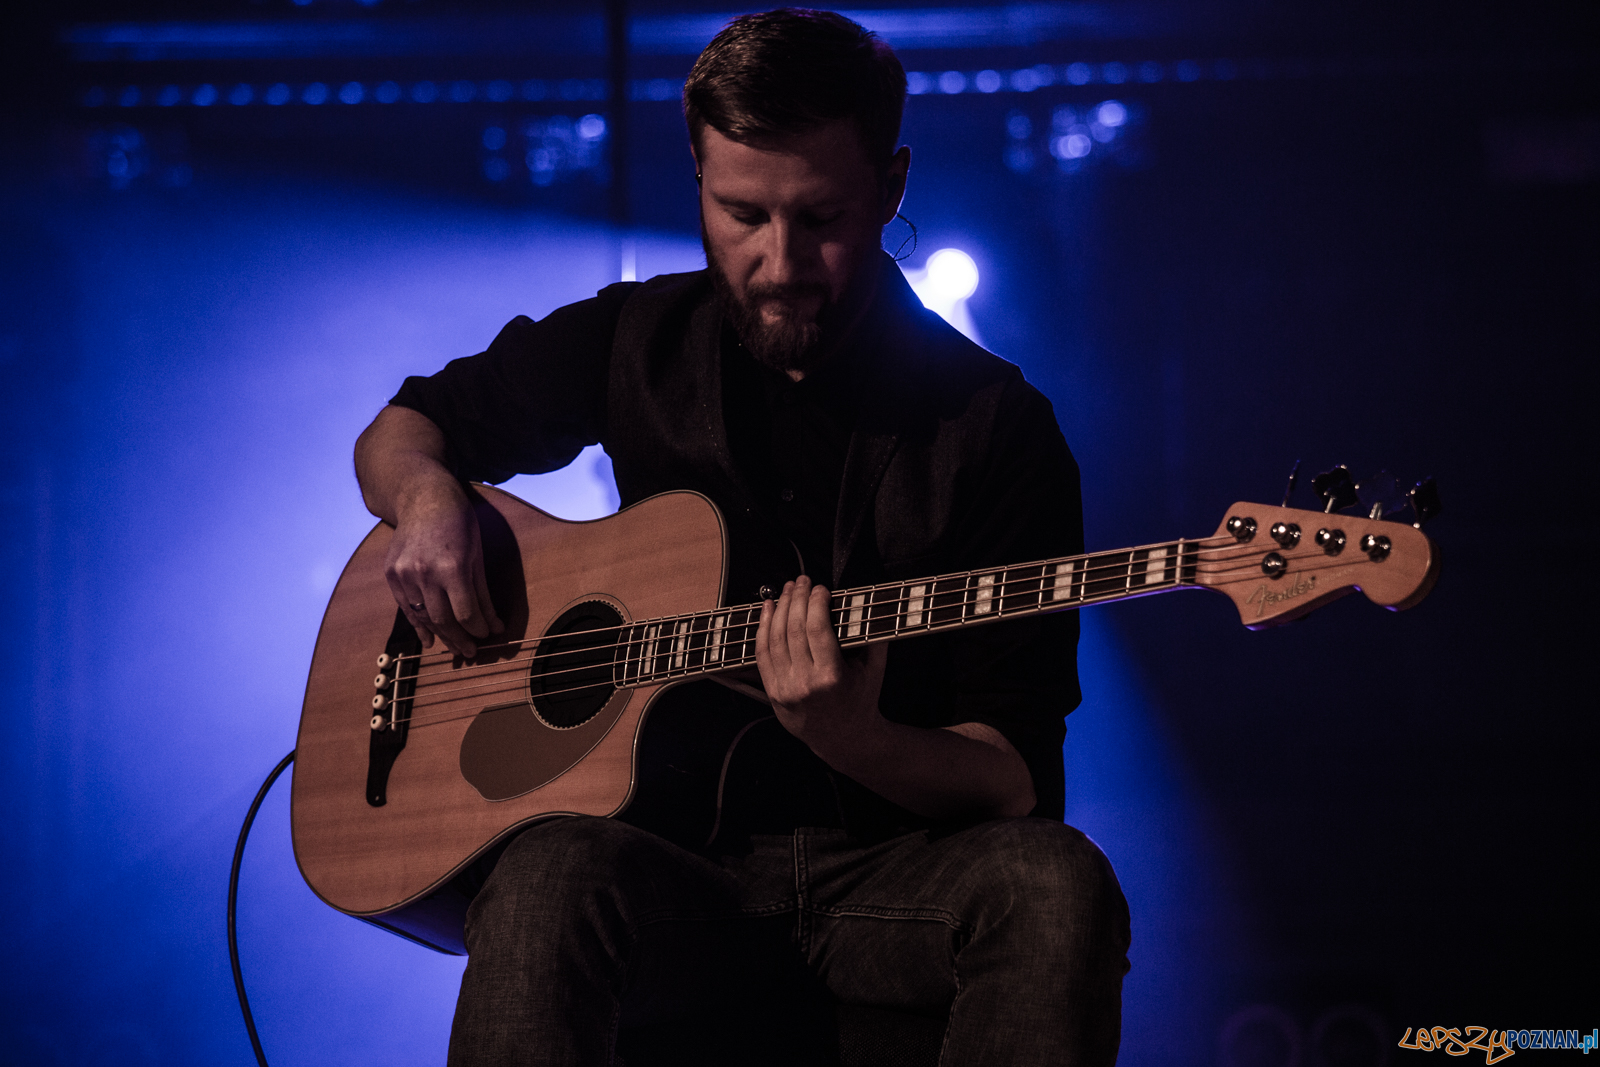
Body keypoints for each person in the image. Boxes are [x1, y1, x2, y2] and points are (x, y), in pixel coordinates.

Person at [353, 9, 1130, 1065]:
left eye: (821, 218)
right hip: (675, 874)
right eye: (741, 213)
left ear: (892, 187)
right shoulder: (635, 339)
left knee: (1052, 880)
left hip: (893, 884)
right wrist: (432, 504)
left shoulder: (994, 426)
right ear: (698, 178)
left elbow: (1011, 779)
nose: (778, 261)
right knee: (544, 873)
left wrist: (856, 738)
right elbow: (404, 429)